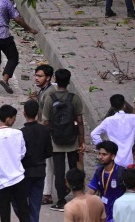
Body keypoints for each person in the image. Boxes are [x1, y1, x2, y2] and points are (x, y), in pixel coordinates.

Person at [41, 68, 86, 209]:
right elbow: (80, 121)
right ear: (69, 81)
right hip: (72, 141)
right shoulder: (74, 98)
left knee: (59, 172)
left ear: (55, 79)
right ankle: (76, 196)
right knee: (74, 170)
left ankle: (61, 200)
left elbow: (45, 122)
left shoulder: (50, 98)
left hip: (56, 141)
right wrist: (81, 140)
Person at [0, 105, 29, 222]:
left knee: (4, 215)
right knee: (24, 212)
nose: (15, 120)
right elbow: (22, 153)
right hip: (18, 178)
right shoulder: (18, 133)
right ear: (8, 119)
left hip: (2, 181)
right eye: (14, 118)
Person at [20, 99, 53, 222]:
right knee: (35, 205)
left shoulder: (21, 133)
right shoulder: (44, 131)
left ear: (24, 114)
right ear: (38, 113)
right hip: (40, 171)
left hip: (25, 172)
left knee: (22, 203)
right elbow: (49, 152)